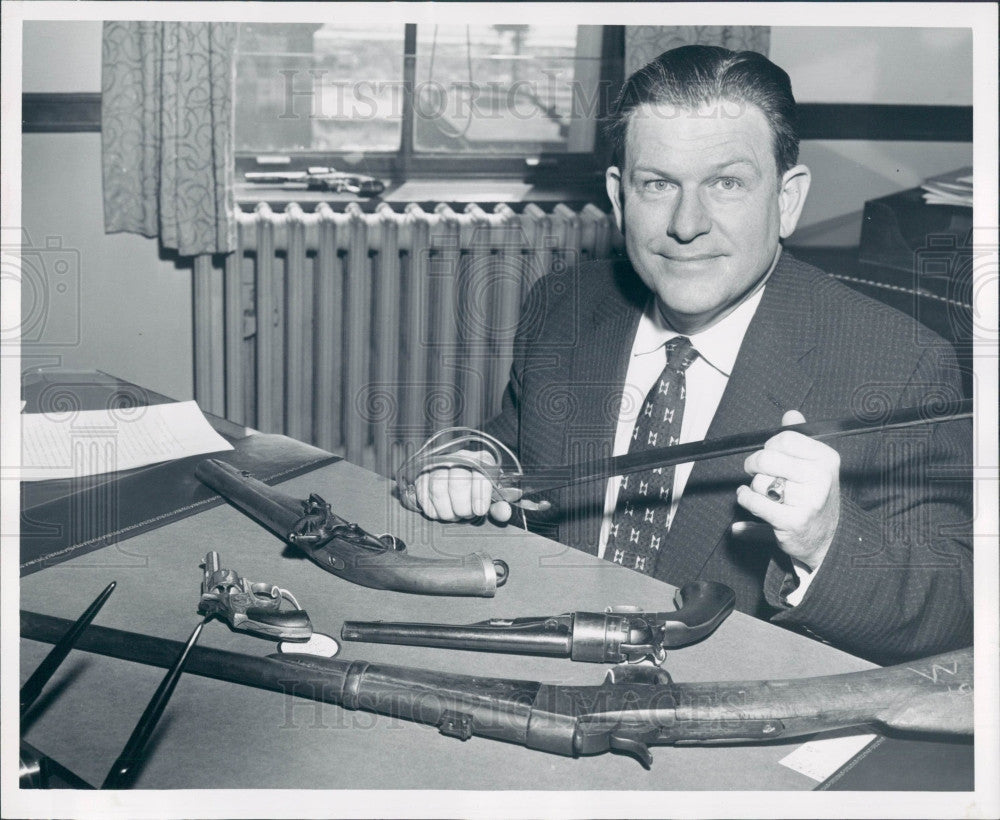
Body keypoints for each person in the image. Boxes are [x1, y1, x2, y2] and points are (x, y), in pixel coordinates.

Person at [411, 45, 972, 665]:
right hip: (549, 665)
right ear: (620, 198)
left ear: (787, 200)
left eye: (726, 183)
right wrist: (471, 466)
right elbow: (516, 447)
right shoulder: (566, 306)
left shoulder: (901, 363)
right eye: (658, 184)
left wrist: (826, 539)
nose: (686, 223)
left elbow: (955, 603)